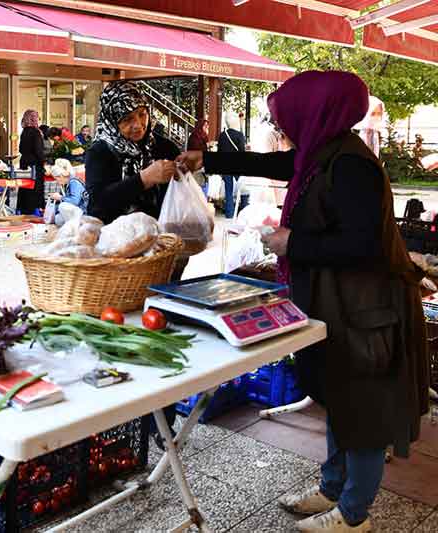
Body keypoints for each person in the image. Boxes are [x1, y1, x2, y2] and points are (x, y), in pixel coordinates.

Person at [177, 70, 429, 533]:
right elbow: (277, 165)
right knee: (338, 397)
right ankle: (333, 489)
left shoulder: (351, 166)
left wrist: (294, 242)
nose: (283, 128)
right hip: (341, 304)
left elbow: (362, 246)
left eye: (288, 118)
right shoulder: (323, 153)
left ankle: (354, 516)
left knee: (363, 413)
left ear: (316, 113)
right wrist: (205, 160)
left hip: (367, 311)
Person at [85, 80, 179, 225]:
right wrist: (144, 179)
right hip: (112, 240)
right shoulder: (100, 151)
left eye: (142, 114)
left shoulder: (164, 148)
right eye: (127, 119)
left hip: (159, 239)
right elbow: (98, 203)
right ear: (112, 121)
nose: (138, 125)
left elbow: (176, 196)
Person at [17, 109, 46, 216]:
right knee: (35, 187)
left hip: (24, 163)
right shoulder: (36, 132)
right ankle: (35, 211)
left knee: (25, 186)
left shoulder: (24, 131)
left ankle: (23, 210)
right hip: (35, 164)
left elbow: (20, 149)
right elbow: (38, 150)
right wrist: (44, 161)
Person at [217, 113, 247, 218]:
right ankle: (243, 210)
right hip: (237, 165)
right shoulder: (239, 135)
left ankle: (229, 213)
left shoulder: (222, 135)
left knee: (228, 190)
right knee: (243, 188)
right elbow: (242, 152)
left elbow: (219, 152)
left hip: (225, 165)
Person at [48, 158, 87, 225]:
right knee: (57, 219)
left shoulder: (74, 182)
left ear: (61, 176)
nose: (57, 181)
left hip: (84, 212)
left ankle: (75, 226)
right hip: (77, 212)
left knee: (62, 206)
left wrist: (60, 197)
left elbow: (75, 201)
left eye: (56, 178)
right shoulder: (67, 184)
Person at [186, 119, 210, 194]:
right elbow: (196, 150)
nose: (207, 128)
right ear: (200, 126)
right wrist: (207, 145)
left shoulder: (203, 136)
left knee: (203, 186)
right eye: (205, 126)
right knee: (197, 189)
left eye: (207, 126)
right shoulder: (194, 136)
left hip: (201, 167)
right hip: (195, 167)